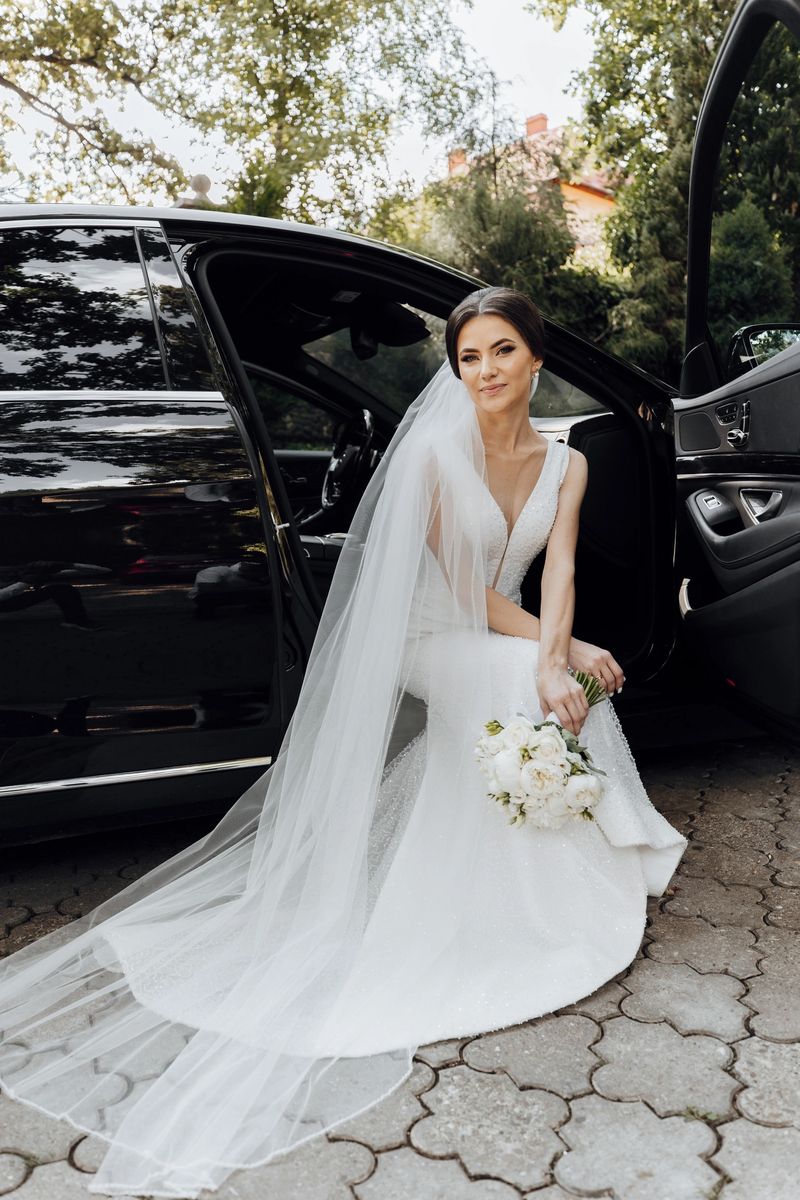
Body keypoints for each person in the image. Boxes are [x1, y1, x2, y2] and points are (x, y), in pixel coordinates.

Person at [0, 286, 688, 1198]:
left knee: (566, 686)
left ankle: (584, 877)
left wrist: (568, 650)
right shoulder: (440, 454)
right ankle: (518, 904)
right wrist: (550, 657)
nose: (484, 372)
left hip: (508, 630)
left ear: (536, 358)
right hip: (433, 631)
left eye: (501, 353)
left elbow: (556, 572)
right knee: (521, 684)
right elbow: (458, 589)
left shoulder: (568, 464)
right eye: (467, 357)